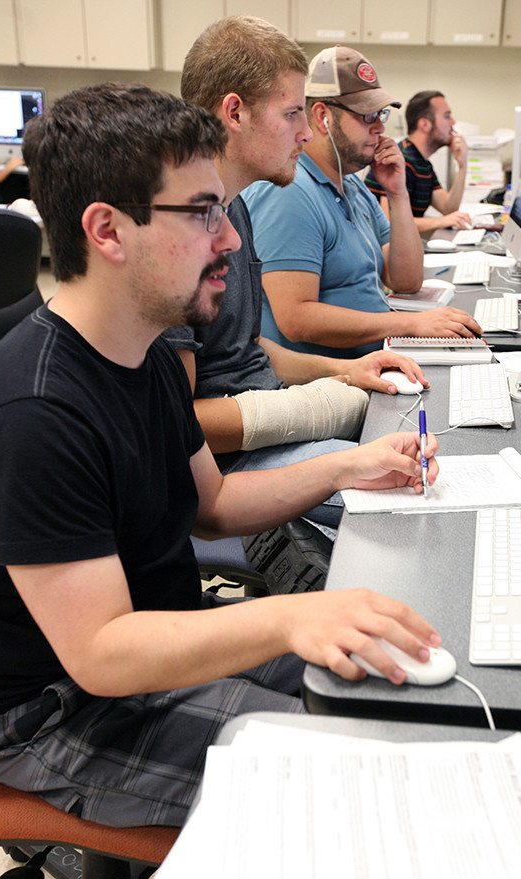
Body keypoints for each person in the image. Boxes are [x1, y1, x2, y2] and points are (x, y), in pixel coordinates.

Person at [0, 83, 443, 828]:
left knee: (388, 688)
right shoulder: (38, 410)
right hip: (59, 710)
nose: (229, 238)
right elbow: (101, 652)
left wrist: (346, 468)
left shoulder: (141, 351)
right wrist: (289, 620)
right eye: (203, 213)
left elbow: (212, 506)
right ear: (107, 230)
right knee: (358, 790)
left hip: (154, 634)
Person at [169, 18, 431, 590]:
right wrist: (319, 412)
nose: (302, 133)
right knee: (420, 503)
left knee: (423, 470)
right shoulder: (180, 240)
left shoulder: (232, 211)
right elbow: (175, 426)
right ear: (234, 114)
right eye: (292, 115)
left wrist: (347, 372)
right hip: (232, 463)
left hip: (266, 421)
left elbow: (246, 344)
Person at [243, 45, 482, 360]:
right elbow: (295, 320)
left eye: (381, 114)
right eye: (367, 116)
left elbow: (405, 280)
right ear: (322, 117)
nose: (380, 128)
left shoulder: (352, 184)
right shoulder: (289, 192)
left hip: (373, 359)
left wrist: (398, 193)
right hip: (329, 382)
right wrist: (409, 324)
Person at [364, 90, 472, 234]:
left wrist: (462, 166)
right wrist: (441, 221)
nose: (453, 122)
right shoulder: (402, 160)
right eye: (447, 116)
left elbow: (448, 208)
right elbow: (390, 223)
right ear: (425, 124)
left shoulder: (422, 163)